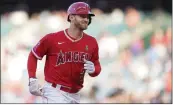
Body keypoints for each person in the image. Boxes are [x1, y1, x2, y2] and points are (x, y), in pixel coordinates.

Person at [27, 2, 101, 103]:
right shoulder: (52, 39)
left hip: (75, 94)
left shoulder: (92, 42)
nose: (86, 19)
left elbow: (97, 66)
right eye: (82, 16)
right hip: (54, 91)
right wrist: (32, 78)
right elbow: (33, 55)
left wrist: (94, 70)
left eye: (88, 16)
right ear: (71, 17)